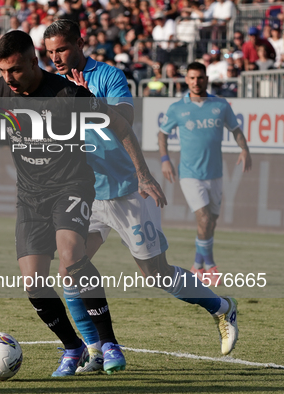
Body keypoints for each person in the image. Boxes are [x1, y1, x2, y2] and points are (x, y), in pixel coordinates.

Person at [0, 30, 165, 377]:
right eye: (2, 70)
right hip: (30, 196)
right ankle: (73, 348)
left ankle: (108, 343)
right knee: (33, 281)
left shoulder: (67, 94)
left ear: (34, 61)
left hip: (72, 187)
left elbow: (121, 125)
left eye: (15, 69)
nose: (9, 79)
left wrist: (143, 175)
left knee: (72, 259)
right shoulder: (0, 90)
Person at [44, 20, 241, 373]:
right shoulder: (52, 85)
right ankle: (96, 349)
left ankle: (222, 307)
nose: (55, 58)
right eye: (49, 52)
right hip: (85, 191)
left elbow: (123, 119)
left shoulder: (108, 76)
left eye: (61, 49)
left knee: (156, 273)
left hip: (125, 189)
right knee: (68, 268)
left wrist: (86, 100)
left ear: (79, 43)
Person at [158, 62, 252, 288]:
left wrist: (245, 148)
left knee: (211, 223)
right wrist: (165, 160)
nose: (196, 82)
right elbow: (162, 134)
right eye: (191, 78)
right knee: (204, 218)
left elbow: (235, 130)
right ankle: (210, 266)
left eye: (200, 77)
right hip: (190, 174)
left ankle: (197, 266)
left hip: (215, 173)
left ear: (206, 79)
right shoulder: (178, 108)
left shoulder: (220, 105)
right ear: (186, 80)